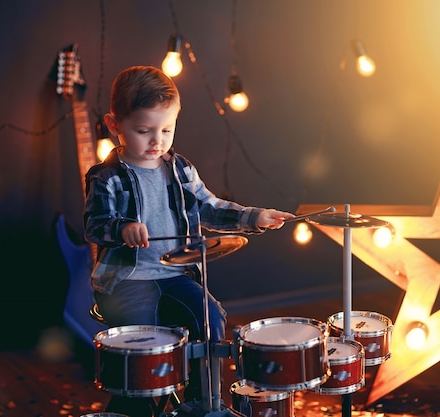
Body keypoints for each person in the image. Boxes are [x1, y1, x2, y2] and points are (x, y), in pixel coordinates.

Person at [83, 65, 294, 417]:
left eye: (166, 130)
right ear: (113, 124)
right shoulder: (106, 177)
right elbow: (95, 224)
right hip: (128, 282)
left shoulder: (180, 169)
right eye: (143, 130)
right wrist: (122, 228)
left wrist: (254, 217)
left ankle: (202, 402)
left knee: (210, 318)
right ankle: (134, 408)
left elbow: (211, 208)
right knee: (145, 349)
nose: (156, 141)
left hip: (176, 277)